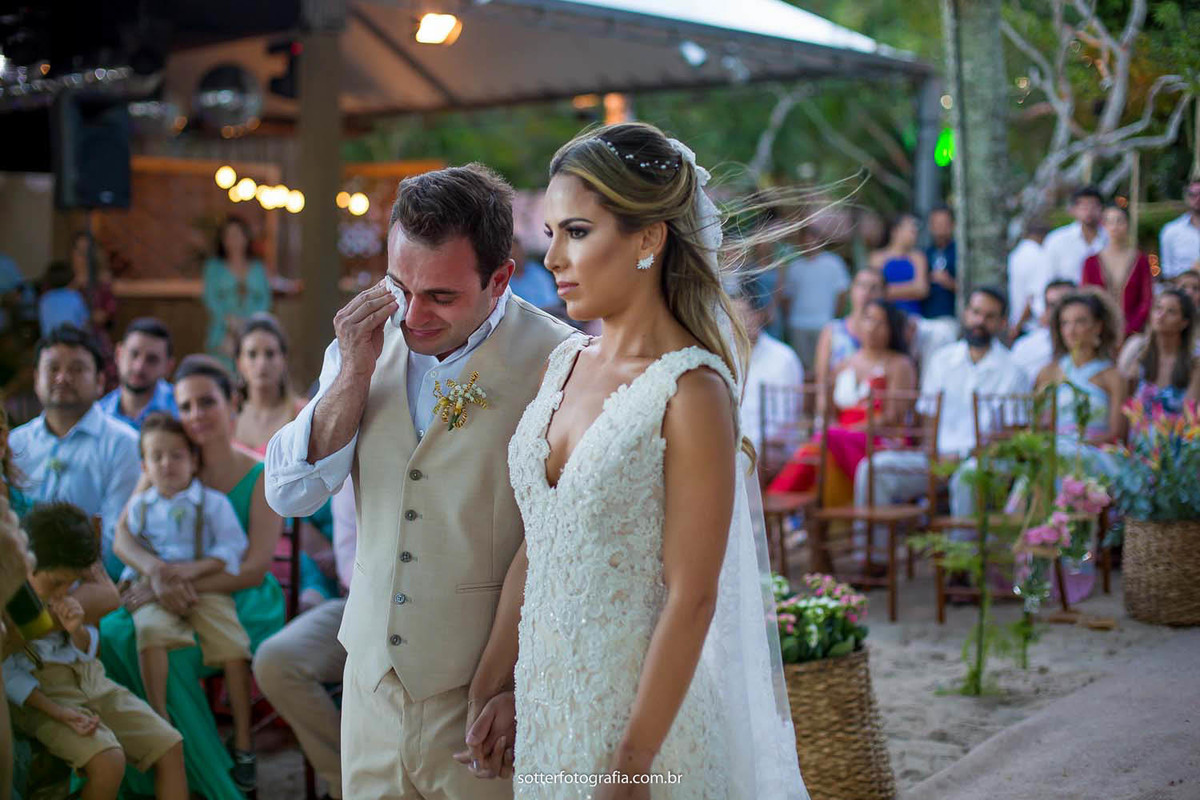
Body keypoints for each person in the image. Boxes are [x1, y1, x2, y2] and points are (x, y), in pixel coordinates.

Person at [468, 124, 805, 797]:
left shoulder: (692, 390)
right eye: (551, 232)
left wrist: (632, 763)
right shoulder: (564, 363)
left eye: (577, 232)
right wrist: (494, 686)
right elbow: (541, 543)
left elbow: (693, 596)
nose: (552, 256)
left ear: (649, 239)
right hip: (547, 712)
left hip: (644, 729)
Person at [264, 163, 575, 799]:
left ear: (499, 279)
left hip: (484, 705)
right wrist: (353, 374)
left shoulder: (562, 363)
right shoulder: (362, 343)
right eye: (398, 285)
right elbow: (291, 493)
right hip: (371, 689)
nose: (412, 314)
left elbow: (566, 545)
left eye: (440, 296)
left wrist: (516, 681)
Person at [98, 355, 284, 799]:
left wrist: (167, 587)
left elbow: (254, 567)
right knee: (110, 633)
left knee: (175, 657)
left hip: (239, 596)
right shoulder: (168, 463)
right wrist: (156, 576)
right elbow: (123, 537)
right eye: (185, 406)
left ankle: (207, 776)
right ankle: (142, 774)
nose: (195, 415)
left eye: (207, 402)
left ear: (232, 401)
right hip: (165, 590)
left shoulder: (260, 475)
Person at [3, 503, 187, 800]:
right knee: (108, 762)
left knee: (170, 744)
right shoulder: (12, 600)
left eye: (70, 583)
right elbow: (9, 673)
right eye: (56, 583)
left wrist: (76, 629)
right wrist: (60, 713)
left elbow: (86, 649)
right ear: (27, 563)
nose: (63, 592)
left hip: (91, 681)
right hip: (41, 698)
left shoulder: (64, 595)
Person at [111, 413, 256, 790]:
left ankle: (244, 740)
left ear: (193, 460)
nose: (167, 464)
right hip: (154, 589)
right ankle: (160, 722)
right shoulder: (140, 508)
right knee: (149, 634)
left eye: (176, 455)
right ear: (144, 467)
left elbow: (232, 547)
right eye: (156, 457)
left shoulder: (212, 503)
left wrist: (192, 570)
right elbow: (130, 552)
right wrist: (136, 583)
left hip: (204, 587)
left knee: (234, 646)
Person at [854, 288, 1026, 546]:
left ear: (1002, 323)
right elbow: (928, 418)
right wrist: (932, 453)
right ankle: (871, 556)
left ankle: (962, 560)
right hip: (936, 459)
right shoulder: (942, 360)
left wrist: (967, 455)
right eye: (976, 312)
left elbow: (1014, 437)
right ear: (965, 314)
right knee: (872, 468)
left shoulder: (1013, 371)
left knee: (967, 476)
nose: (980, 321)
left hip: (986, 462)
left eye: (990, 316)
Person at [252, 477, 357, 800]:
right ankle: (348, 783)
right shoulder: (338, 460)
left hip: (424, 610)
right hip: (351, 602)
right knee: (276, 661)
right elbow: (291, 496)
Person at [9, 325, 141, 579]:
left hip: (92, 581)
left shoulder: (124, 444)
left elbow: (117, 536)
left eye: (77, 369)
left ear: (100, 381)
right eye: (53, 368)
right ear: (36, 378)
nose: (63, 378)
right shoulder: (15, 443)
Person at [769, 300, 916, 508]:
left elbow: (893, 416)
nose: (873, 327)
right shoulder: (844, 364)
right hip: (839, 440)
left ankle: (773, 503)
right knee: (819, 448)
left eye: (881, 322)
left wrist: (852, 430)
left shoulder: (899, 364)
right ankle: (783, 507)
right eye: (869, 319)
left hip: (880, 440)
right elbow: (830, 411)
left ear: (892, 327)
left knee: (822, 442)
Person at [1035, 290, 1126, 476]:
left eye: (1080, 322)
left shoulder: (1113, 376)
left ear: (1098, 326)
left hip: (1097, 458)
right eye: (1065, 323)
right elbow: (1037, 425)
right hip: (1053, 455)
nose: (1071, 330)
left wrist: (1077, 446)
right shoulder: (1047, 373)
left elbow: (1117, 434)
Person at [733, 284, 804, 458]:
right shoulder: (725, 355)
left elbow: (783, 423)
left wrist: (746, 446)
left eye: (743, 315)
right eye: (731, 316)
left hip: (772, 452)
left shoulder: (783, 358)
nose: (737, 323)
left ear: (759, 315)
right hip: (733, 448)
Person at [232, 313, 306, 456]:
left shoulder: (303, 414)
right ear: (239, 363)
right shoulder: (228, 414)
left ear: (283, 360)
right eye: (252, 354)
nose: (262, 363)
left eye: (270, 354)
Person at [1117, 288, 1199, 416]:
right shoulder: (1137, 353)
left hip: (1176, 428)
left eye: (1171, 311)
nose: (1161, 315)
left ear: (1184, 323)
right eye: (1158, 308)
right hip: (1138, 427)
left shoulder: (1193, 365)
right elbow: (1124, 404)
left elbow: (1190, 415)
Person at [203, 217, 271, 367]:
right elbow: (210, 298)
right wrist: (229, 321)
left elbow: (265, 299)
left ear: (246, 237)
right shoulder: (214, 267)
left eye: (237, 235)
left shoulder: (258, 267)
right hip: (223, 331)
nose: (234, 240)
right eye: (229, 235)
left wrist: (249, 321)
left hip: (253, 330)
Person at [779, 228, 850, 372]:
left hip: (824, 324)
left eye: (812, 239)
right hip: (799, 324)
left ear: (820, 241)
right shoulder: (794, 267)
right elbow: (787, 297)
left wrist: (834, 317)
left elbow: (842, 293)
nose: (809, 243)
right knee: (802, 368)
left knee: (824, 366)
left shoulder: (833, 263)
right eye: (805, 239)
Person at [813, 267, 886, 396]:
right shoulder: (832, 330)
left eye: (874, 288)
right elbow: (821, 379)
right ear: (851, 289)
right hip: (838, 403)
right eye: (861, 285)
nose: (867, 292)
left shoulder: (888, 331)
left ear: (884, 294)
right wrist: (821, 405)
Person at [1081, 204, 1153, 336]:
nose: (1114, 226)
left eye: (1120, 221)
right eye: (1109, 221)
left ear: (1127, 224)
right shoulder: (1091, 262)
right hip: (1099, 331)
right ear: (1103, 225)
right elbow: (1086, 296)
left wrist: (1131, 329)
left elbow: (1146, 300)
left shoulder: (1140, 260)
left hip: (1133, 332)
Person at [96, 318, 178, 430]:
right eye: (134, 354)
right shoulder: (99, 416)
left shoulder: (183, 410)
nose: (139, 367)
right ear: (119, 354)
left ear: (168, 367)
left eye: (152, 359)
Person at [69, 233, 119, 392]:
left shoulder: (102, 283)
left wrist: (88, 317)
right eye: (79, 251)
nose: (83, 257)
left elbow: (107, 314)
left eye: (87, 252)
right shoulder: (66, 281)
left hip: (95, 341)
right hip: (69, 341)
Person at [1011, 280, 1076, 389]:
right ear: (1045, 310)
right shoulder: (1024, 347)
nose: (1058, 311)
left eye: (1065, 305)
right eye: (1052, 305)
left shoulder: (1091, 348)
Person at [1043, 186, 1107, 283]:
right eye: (1084, 207)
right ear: (1073, 210)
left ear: (1101, 209)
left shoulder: (1109, 239)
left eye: (1093, 206)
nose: (1089, 211)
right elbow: (1047, 277)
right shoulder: (1057, 240)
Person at [870, 213, 928, 316]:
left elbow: (922, 289)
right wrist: (912, 289)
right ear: (895, 231)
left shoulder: (918, 257)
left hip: (913, 317)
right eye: (911, 230)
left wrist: (887, 290)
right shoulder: (878, 257)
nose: (915, 233)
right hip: (885, 316)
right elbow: (874, 290)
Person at [1007, 220, 1052, 333]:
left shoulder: (1016, 254)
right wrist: (1018, 326)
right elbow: (1034, 295)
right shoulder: (1039, 255)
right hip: (1031, 324)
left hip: (1019, 321)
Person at [507, 239, 564, 315]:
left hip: (549, 314)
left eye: (518, 252)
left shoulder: (536, 270)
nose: (517, 257)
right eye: (513, 254)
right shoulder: (504, 281)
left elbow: (552, 301)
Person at [1158, 179, 1200, 280]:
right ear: (1186, 197)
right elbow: (1168, 273)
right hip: (1182, 288)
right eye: (1193, 194)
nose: (1198, 198)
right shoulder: (1171, 231)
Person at [922, 206, 958, 320]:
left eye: (944, 223)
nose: (940, 228)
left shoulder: (960, 253)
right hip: (926, 317)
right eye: (936, 223)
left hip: (953, 316)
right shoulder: (924, 253)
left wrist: (950, 283)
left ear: (953, 225)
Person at [37, 261, 89, 337]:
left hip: (50, 341)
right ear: (71, 280)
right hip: (73, 340)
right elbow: (85, 322)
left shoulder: (44, 299)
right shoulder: (75, 297)